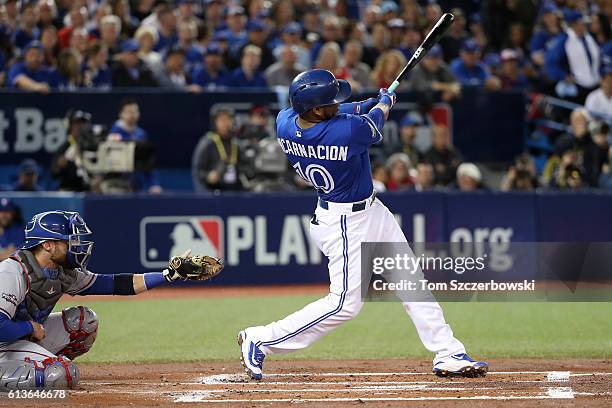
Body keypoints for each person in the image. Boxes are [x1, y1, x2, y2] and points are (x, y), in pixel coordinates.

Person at [237, 69, 487, 381]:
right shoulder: (347, 132)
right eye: (330, 101)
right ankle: (261, 339)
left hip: (366, 211)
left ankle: (448, 352)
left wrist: (366, 101)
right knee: (344, 305)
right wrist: (384, 102)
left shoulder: (285, 121)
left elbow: (338, 111)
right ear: (316, 109)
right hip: (345, 223)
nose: (337, 102)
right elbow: (374, 121)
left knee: (410, 279)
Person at [0, 210, 222, 390]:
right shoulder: (13, 271)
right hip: (4, 345)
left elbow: (115, 284)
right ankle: (22, 371)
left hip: (23, 338)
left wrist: (168, 275)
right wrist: (29, 327)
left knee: (84, 322)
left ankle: (38, 364)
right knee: (61, 375)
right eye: (70, 240)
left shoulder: (62, 272)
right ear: (47, 245)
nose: (77, 245)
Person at [545, 11, 601, 102]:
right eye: (581, 23)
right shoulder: (563, 40)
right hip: (579, 86)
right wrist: (563, 76)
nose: (584, 25)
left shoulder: (589, 38)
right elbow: (550, 61)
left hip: (596, 84)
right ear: (573, 24)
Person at [108, 99, 162, 193]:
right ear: (121, 114)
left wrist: (154, 184)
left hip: (137, 185)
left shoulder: (142, 134)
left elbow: (148, 160)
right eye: (129, 112)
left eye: (135, 111)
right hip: (118, 185)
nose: (132, 115)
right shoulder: (114, 133)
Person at [192, 108, 242, 191]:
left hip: (234, 192)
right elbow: (198, 171)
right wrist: (208, 176)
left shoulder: (237, 143)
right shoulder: (207, 143)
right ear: (215, 122)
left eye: (228, 120)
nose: (225, 124)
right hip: (213, 192)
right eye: (221, 120)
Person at [51, 110, 93, 192]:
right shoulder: (63, 148)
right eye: (77, 123)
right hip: (69, 191)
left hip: (88, 191)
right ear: (69, 126)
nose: (81, 126)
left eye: (83, 123)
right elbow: (54, 173)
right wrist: (60, 166)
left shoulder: (92, 147)